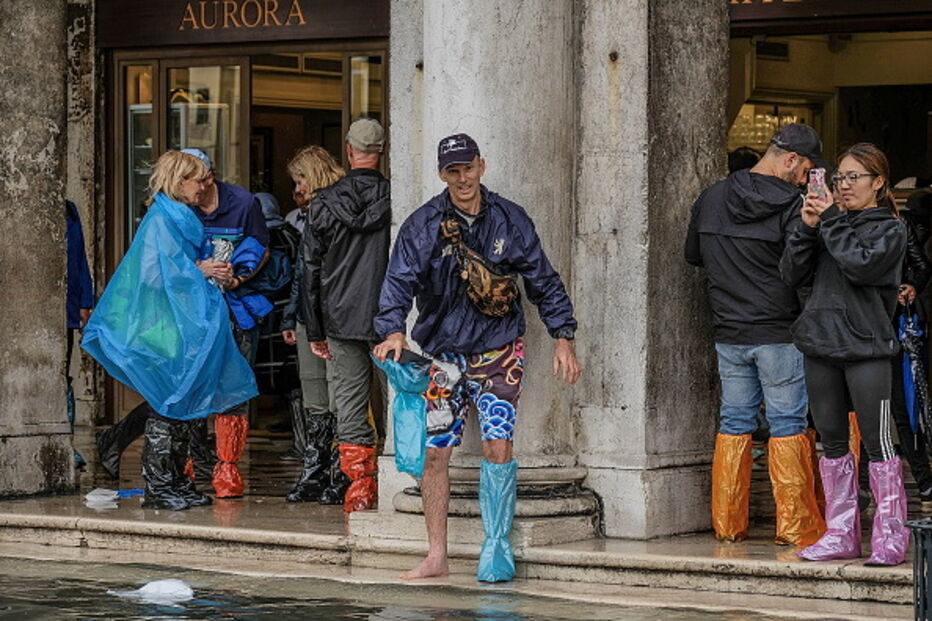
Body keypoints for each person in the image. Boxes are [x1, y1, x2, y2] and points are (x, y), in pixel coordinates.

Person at [373, 133, 581, 582]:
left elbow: (542, 280)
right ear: (441, 174)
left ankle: (496, 547)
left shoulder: (511, 219)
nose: (462, 177)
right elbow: (397, 283)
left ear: (482, 166)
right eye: (453, 170)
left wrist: (563, 336)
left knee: (498, 446)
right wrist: (391, 329)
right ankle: (436, 555)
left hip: (499, 351)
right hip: (442, 359)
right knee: (434, 455)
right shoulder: (422, 224)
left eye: (468, 167)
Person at [82, 150, 257, 510]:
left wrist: (200, 269)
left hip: (183, 326)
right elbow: (152, 274)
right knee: (170, 404)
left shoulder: (178, 216)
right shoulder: (163, 219)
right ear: (180, 182)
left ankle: (174, 481)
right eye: (200, 179)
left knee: (182, 406)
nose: (207, 185)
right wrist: (200, 270)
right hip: (168, 326)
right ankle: (161, 485)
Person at [685, 123, 825, 546]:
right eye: (804, 170)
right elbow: (799, 269)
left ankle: (728, 525)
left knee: (734, 420)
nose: (805, 179)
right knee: (787, 422)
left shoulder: (711, 197)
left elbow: (693, 255)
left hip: (729, 331)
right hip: (779, 331)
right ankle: (795, 526)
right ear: (789, 160)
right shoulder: (793, 207)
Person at [781, 142, 909, 566]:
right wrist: (805, 228)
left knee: (879, 443)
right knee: (832, 442)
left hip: (867, 348)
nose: (845, 185)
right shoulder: (828, 224)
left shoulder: (890, 229)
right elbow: (791, 274)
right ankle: (841, 533)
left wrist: (832, 220)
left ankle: (890, 536)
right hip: (820, 343)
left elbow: (862, 265)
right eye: (840, 178)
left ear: (879, 182)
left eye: (855, 177)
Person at [301, 119, 391, 512]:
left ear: (349, 151)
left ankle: (359, 491)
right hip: (389, 317)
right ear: (382, 151)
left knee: (349, 405)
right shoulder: (396, 196)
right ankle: (398, 479)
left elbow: (309, 270)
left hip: (339, 316)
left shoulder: (322, 202)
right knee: (399, 400)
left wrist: (314, 328)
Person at [184, 148, 271, 499]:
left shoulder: (243, 203)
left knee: (232, 388)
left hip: (234, 307)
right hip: (191, 313)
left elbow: (261, 247)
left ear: (209, 178)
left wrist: (238, 278)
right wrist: (198, 269)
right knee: (191, 388)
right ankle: (187, 466)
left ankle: (227, 470)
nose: (197, 191)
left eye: (202, 181)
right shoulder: (176, 208)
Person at [281, 145, 347, 503]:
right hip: (309, 312)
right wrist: (291, 314)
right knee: (314, 395)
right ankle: (316, 465)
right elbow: (301, 271)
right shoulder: (309, 212)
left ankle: (339, 468)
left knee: (339, 395)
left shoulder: (336, 205)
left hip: (334, 312)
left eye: (300, 179)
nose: (297, 188)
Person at [66, 200, 95, 468]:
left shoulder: (70, 209)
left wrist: (86, 298)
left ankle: (67, 440)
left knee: (65, 374)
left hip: (67, 303)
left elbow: (79, 258)